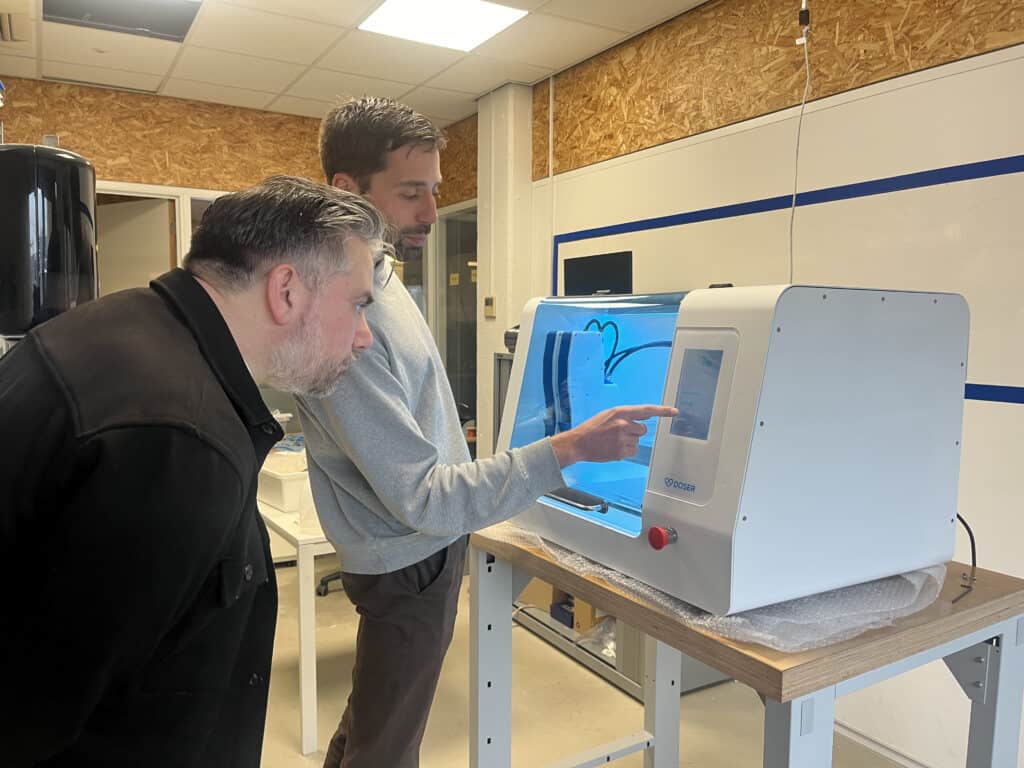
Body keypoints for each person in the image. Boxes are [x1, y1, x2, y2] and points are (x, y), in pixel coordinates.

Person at [297, 96, 676, 768]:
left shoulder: (383, 284)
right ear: (346, 191)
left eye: (435, 190)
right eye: (411, 192)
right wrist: (566, 451)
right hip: (407, 561)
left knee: (375, 720)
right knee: (388, 745)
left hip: (421, 551)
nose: (431, 214)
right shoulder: (348, 320)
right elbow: (423, 497)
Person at [0, 176, 389, 767]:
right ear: (286, 290)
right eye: (358, 304)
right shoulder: (178, 442)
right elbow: (37, 718)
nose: (364, 337)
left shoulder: (123, 325)